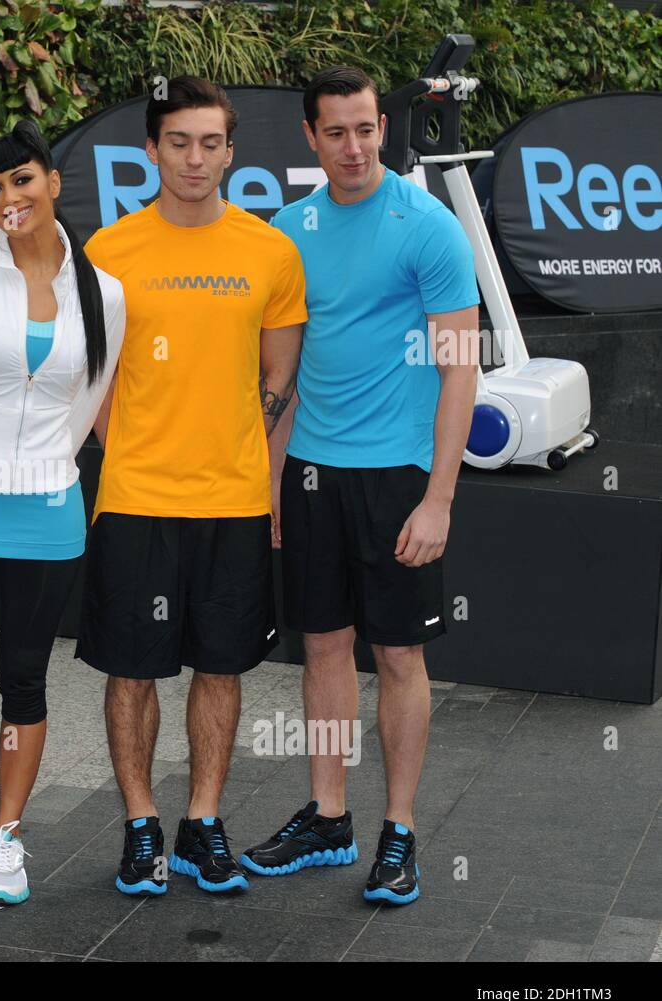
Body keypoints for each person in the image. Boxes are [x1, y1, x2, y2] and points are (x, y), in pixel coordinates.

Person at [243, 66, 479, 906]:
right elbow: (284, 371)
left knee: (401, 654)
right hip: (309, 471)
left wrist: (439, 497)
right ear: (310, 137)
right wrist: (271, 479)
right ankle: (329, 815)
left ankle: (401, 831)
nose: (354, 147)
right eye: (336, 132)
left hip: (396, 479)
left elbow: (460, 371)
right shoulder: (287, 233)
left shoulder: (429, 230)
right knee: (322, 647)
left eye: (367, 129)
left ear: (385, 127)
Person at [76, 77, 307, 896]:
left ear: (231, 153)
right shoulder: (109, 252)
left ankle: (201, 819)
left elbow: (280, 376)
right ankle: (141, 823)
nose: (196, 158)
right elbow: (90, 378)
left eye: (211, 143)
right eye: (180, 142)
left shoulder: (270, 251)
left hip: (234, 502)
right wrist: (128, 454)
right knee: (130, 671)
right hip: (136, 500)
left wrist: (264, 478)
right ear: (151, 151)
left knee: (221, 669)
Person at [0, 121, 125, 906]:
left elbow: (88, 402)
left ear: (53, 182)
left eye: (23, 180)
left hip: (49, 509)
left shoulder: (103, 291)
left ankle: (6, 839)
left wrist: (43, 467)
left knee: (27, 681)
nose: (11, 198)